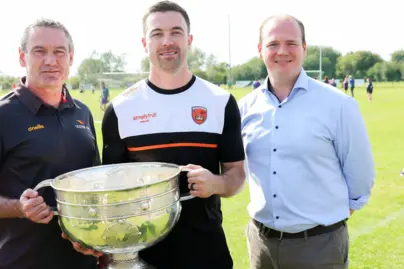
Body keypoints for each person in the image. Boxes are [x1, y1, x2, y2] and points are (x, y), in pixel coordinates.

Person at [79, 1, 245, 268]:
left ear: (189, 39)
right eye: (157, 33)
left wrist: (215, 183)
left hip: (207, 254)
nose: (167, 41)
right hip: (140, 258)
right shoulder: (121, 109)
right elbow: (110, 193)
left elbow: (236, 174)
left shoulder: (220, 101)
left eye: (176, 32)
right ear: (145, 43)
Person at [0, 18, 101, 269]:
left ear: (71, 57)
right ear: (22, 57)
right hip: (21, 261)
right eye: (39, 51)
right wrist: (19, 208)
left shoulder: (83, 113)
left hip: (83, 261)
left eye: (59, 51)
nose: (50, 60)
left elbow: (96, 188)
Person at [238, 14, 375, 269]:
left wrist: (327, 221)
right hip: (261, 244)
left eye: (291, 43)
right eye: (272, 44)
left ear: (304, 48)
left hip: (318, 246)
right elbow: (237, 171)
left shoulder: (338, 105)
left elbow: (360, 175)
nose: (282, 51)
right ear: (260, 50)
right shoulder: (244, 108)